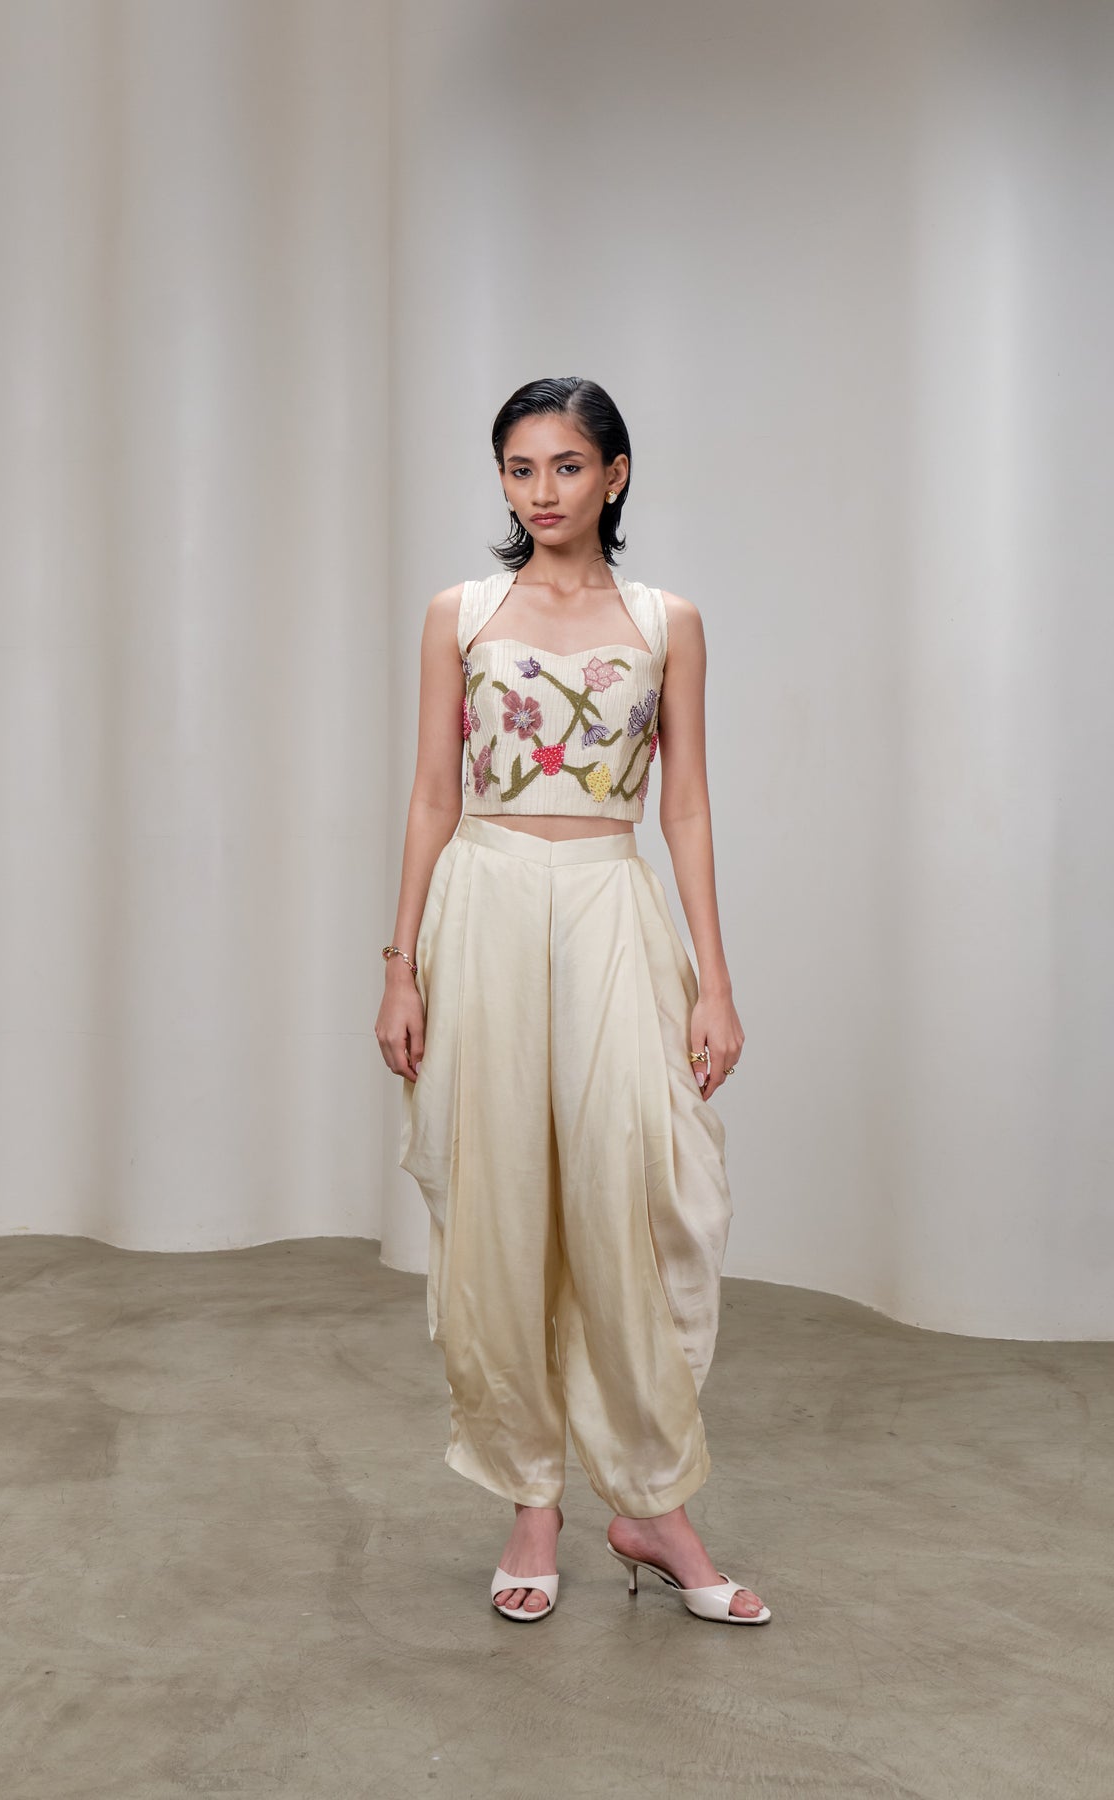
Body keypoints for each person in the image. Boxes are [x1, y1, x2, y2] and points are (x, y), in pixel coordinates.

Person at [375, 377, 769, 1626]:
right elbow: (432, 795)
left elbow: (685, 805)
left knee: (637, 1197)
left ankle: (652, 1503)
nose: (540, 491)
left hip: (610, 904)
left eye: (565, 466)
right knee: (500, 1205)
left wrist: (714, 980)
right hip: (483, 904)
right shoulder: (460, 614)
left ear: (615, 474)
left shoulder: (667, 621)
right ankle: (531, 1503)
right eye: (518, 467)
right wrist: (400, 964)